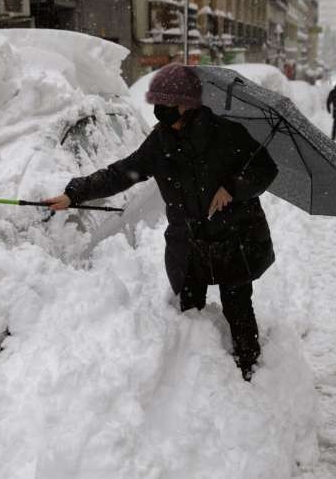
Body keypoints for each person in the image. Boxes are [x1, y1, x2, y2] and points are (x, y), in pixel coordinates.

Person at [43, 64, 278, 381]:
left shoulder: (227, 134)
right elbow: (122, 173)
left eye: (167, 103)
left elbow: (265, 168)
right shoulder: (160, 142)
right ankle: (196, 378)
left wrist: (232, 188)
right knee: (189, 310)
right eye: (157, 103)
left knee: (237, 305)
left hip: (233, 237)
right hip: (190, 242)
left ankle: (249, 369)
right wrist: (76, 193)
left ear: (188, 103)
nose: (160, 111)